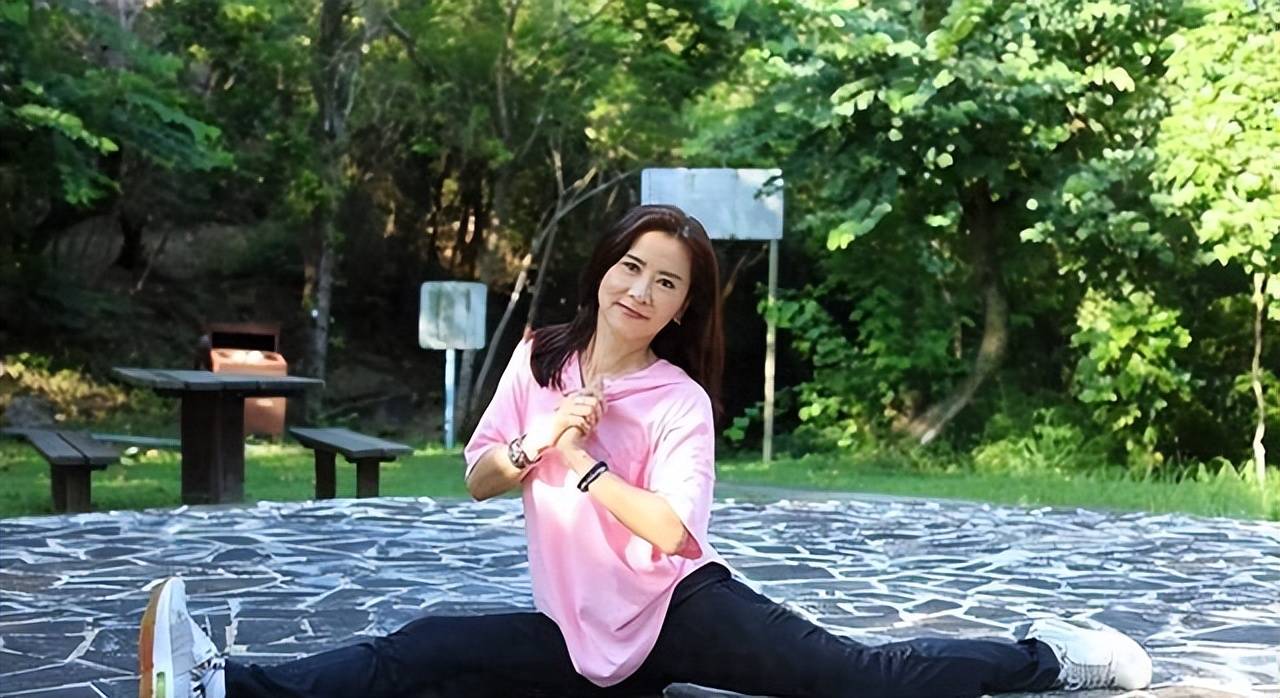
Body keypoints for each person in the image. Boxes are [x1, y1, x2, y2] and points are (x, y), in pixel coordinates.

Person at [137, 204, 1153, 698]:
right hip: (577, 631)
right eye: (632, 266)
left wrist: (586, 468)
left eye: (666, 282)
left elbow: (672, 532)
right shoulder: (539, 356)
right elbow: (480, 477)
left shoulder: (678, 401)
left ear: (680, 309)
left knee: (863, 676)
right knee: (423, 647)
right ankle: (224, 685)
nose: (641, 290)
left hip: (681, 611)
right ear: (604, 268)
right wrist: (540, 438)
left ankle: (1053, 658)